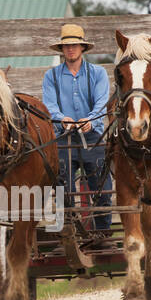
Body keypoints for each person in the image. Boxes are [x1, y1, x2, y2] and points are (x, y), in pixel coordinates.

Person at [41, 23, 112, 232]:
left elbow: (101, 103)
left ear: (82, 47)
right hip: (63, 138)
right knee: (64, 193)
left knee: (103, 191)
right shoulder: (51, 77)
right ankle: (70, 235)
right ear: (62, 49)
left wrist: (90, 120)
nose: (70, 49)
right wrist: (63, 119)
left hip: (93, 136)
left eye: (74, 45)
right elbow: (50, 105)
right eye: (66, 46)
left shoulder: (98, 73)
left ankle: (102, 234)